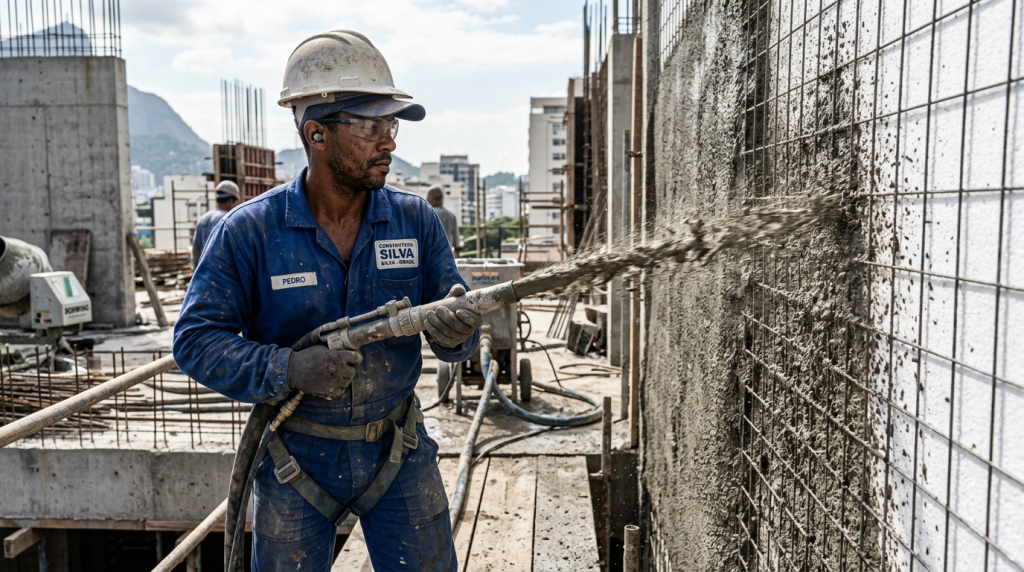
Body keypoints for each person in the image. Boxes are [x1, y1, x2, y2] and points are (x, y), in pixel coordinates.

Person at [172, 30, 482, 571]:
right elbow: (196, 341)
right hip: (296, 459)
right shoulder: (252, 232)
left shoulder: (415, 221)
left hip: (398, 450)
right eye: (372, 127)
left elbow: (453, 328)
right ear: (316, 133)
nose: (389, 142)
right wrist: (287, 367)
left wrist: (459, 333)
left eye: (391, 126)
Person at [190, 180, 241, 268]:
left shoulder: (202, 219)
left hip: (205, 275)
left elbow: (196, 252)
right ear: (231, 200)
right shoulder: (229, 219)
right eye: (236, 202)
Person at [426, 185, 460, 255]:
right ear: (441, 199)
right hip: (446, 255)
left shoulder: (425, 215)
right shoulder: (451, 216)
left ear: (431, 199)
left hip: (429, 256)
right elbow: (456, 242)